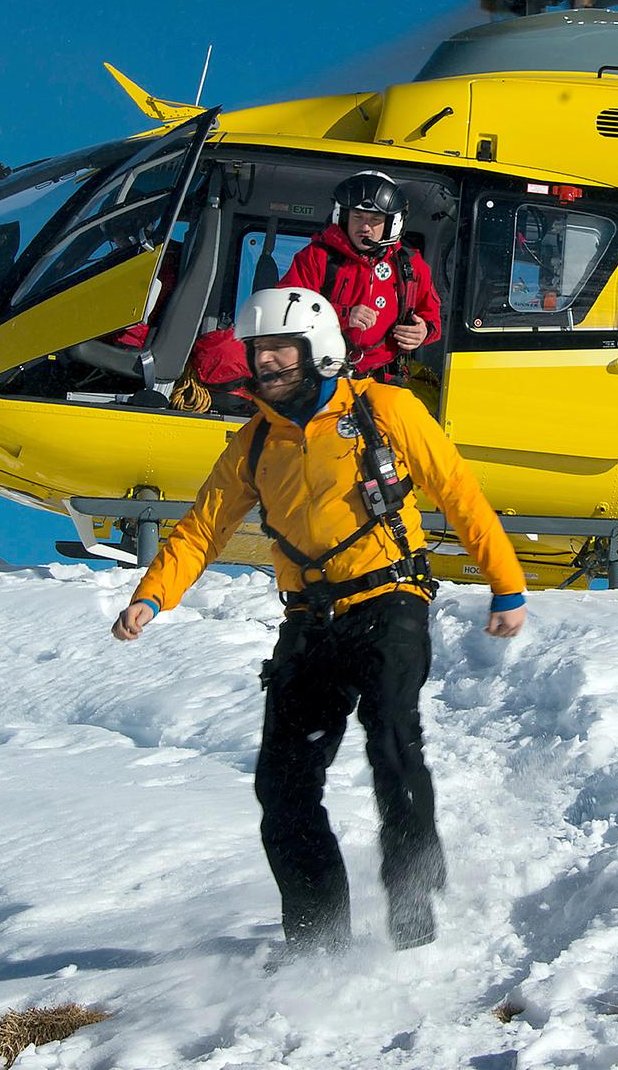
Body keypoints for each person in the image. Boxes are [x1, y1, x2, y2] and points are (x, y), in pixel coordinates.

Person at [110, 286, 527, 961]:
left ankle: (414, 916)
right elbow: (202, 530)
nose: (267, 364)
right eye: (258, 352)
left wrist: (506, 585)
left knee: (392, 743)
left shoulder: (384, 408)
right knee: (282, 785)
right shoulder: (253, 443)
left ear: (320, 350)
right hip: (308, 621)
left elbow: (458, 491)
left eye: (282, 349)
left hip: (389, 600)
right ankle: (318, 948)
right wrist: (151, 597)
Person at [277, 171, 443, 382]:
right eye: (357, 217)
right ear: (343, 217)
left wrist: (423, 331)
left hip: (383, 379)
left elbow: (432, 318)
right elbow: (285, 311)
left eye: (375, 219)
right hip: (321, 375)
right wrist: (342, 315)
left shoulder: (410, 265)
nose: (365, 227)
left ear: (391, 223)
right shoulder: (316, 257)